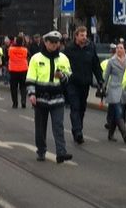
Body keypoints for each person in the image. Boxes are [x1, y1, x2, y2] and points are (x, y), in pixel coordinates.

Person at [26, 30, 73, 163]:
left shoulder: (63, 58)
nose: (54, 45)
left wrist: (62, 76)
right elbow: (30, 78)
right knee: (40, 128)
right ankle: (41, 151)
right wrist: (31, 94)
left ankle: (61, 153)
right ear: (45, 42)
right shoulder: (37, 58)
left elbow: (69, 77)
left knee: (58, 126)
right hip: (40, 98)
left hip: (57, 97)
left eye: (56, 43)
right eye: (51, 42)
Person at [64, 26, 104, 144]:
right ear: (76, 36)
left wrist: (100, 80)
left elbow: (95, 65)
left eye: (85, 35)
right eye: (82, 35)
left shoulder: (90, 47)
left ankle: (78, 128)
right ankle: (77, 131)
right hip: (72, 83)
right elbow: (63, 63)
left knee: (82, 107)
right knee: (75, 107)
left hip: (85, 83)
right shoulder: (69, 49)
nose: (84, 38)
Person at [103, 42, 126, 142]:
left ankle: (110, 134)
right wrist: (103, 87)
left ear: (125, 50)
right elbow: (106, 76)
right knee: (118, 111)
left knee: (120, 113)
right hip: (113, 88)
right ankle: (124, 133)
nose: (119, 49)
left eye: (121, 48)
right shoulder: (111, 61)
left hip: (124, 90)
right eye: (117, 48)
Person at [8, 34, 29, 108]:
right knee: (23, 86)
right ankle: (23, 100)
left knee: (13, 87)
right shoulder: (25, 50)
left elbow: (8, 56)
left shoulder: (11, 49)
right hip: (23, 69)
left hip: (13, 70)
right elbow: (27, 56)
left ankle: (15, 103)